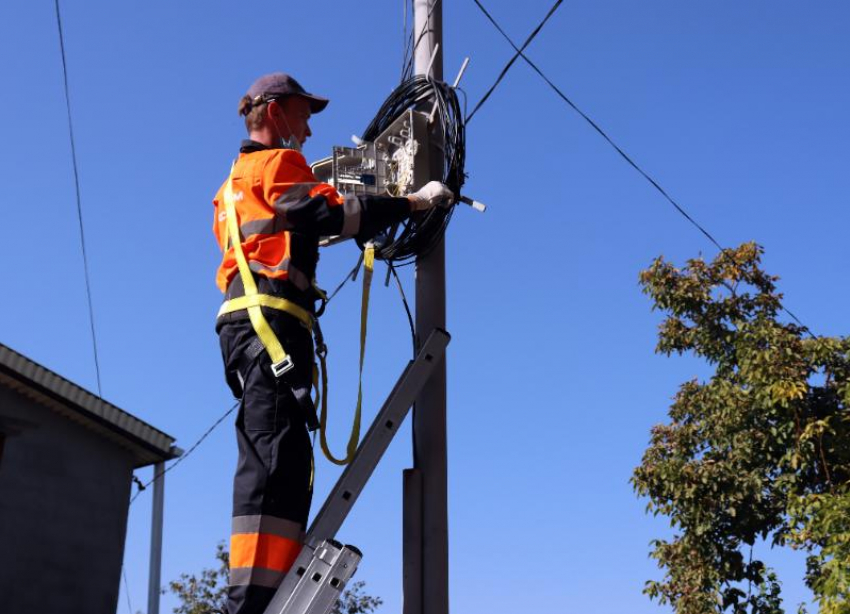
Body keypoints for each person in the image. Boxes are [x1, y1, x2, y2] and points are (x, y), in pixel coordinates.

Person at [212, 72, 453, 614]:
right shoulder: (279, 164)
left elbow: (294, 225)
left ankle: (263, 586)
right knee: (274, 461)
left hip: (248, 329)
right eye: (303, 114)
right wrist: (413, 202)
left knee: (280, 457)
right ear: (274, 112)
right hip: (270, 327)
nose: (309, 129)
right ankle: (249, 600)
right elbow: (331, 213)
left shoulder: (233, 183)